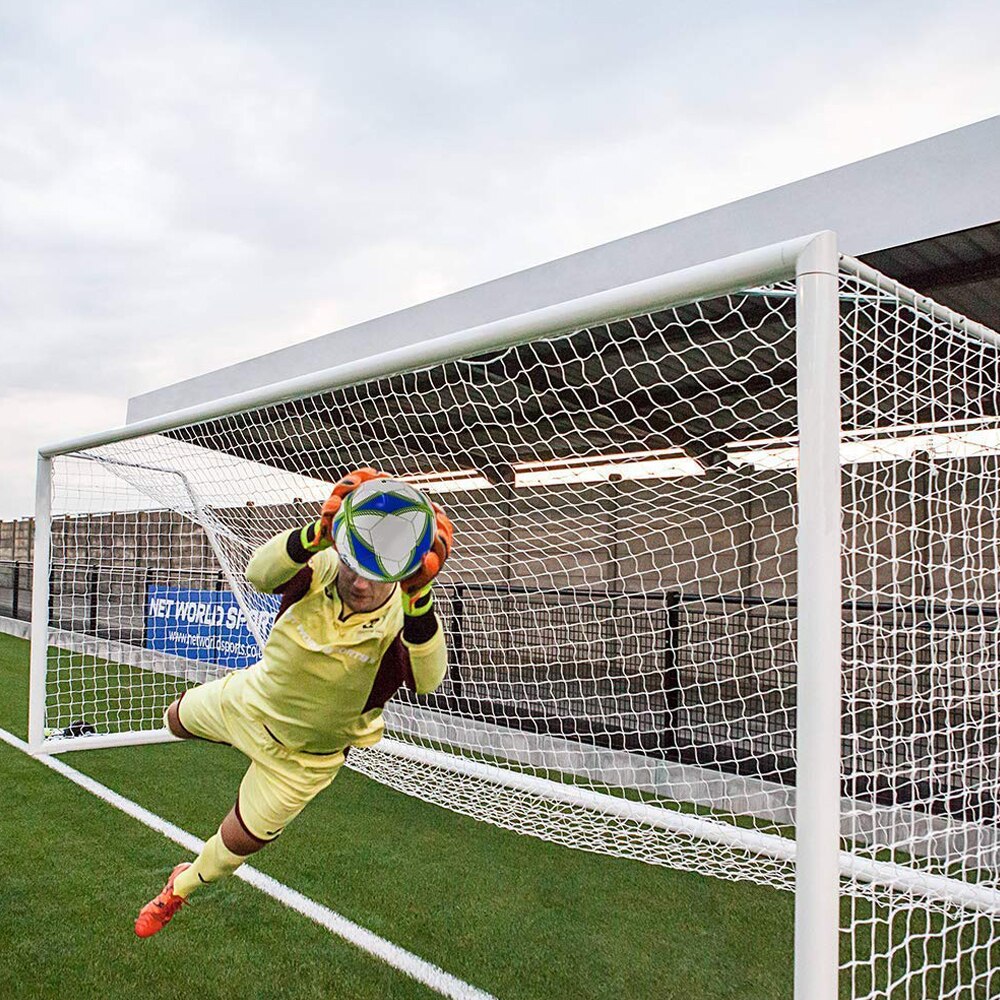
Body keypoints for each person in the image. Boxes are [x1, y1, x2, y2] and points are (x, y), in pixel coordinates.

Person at [134, 469, 454, 937]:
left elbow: (430, 682)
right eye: (351, 564)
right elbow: (257, 574)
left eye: (373, 574)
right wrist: (318, 534)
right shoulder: (320, 565)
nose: (360, 583)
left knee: (233, 848)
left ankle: (177, 889)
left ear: (398, 573)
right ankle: (226, 737)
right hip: (249, 702)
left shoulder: (404, 616)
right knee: (174, 720)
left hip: (303, 761)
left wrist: (419, 596)